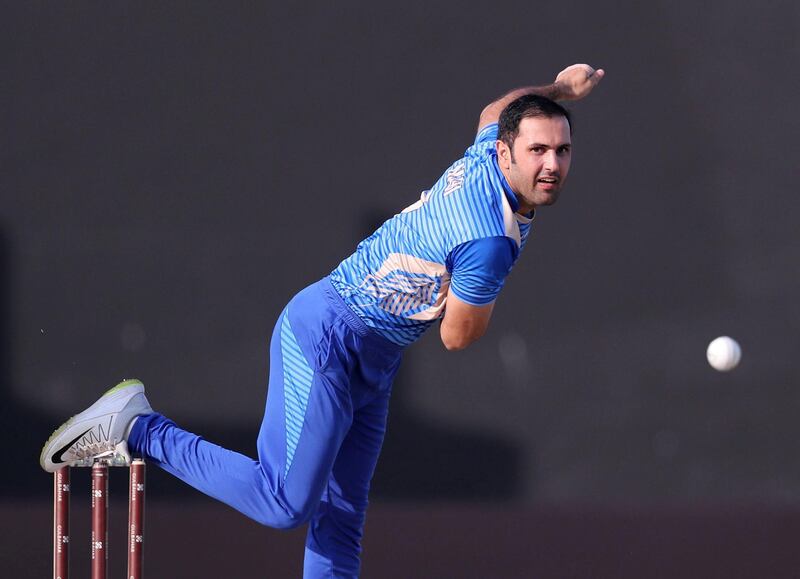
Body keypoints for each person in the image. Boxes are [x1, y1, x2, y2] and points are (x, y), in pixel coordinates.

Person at [40, 63, 604, 578]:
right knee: (283, 503)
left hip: (374, 361)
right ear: (507, 154)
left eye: (561, 150)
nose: (552, 164)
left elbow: (491, 111)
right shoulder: (490, 241)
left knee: (340, 521)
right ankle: (138, 428)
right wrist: (487, 279)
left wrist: (557, 90)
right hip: (327, 336)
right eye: (538, 151)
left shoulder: (486, 149)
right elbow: (459, 337)